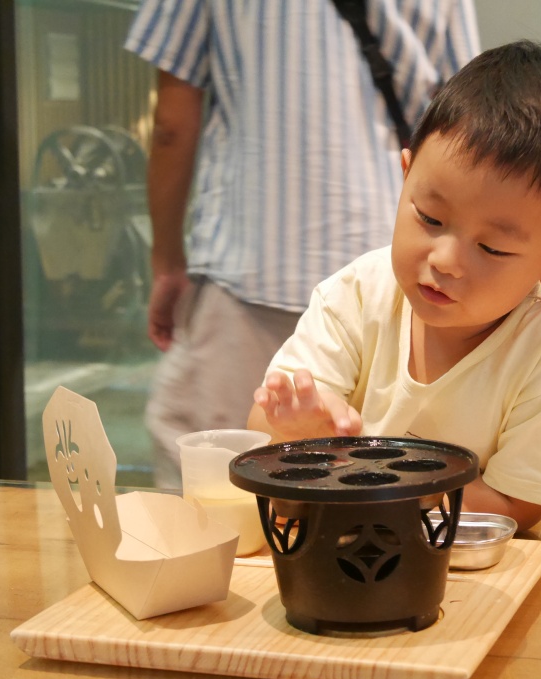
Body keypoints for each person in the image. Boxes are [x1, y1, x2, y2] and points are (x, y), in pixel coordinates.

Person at [248, 41, 541, 532]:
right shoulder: (359, 294)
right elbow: (261, 431)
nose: (445, 261)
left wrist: (351, 470)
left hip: (484, 578)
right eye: (429, 217)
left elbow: (518, 505)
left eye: (492, 248)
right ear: (405, 177)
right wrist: (293, 434)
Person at [123, 2, 480, 488]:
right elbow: (466, 117)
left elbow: (171, 125)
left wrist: (167, 259)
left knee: (215, 497)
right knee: (373, 499)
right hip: (390, 285)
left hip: (249, 271)